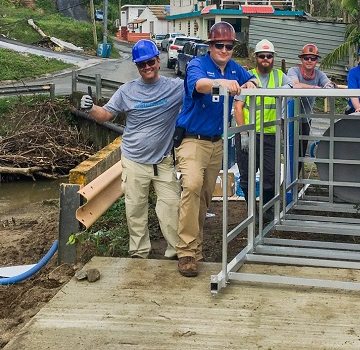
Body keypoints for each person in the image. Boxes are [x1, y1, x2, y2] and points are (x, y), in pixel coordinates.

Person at [79, 39, 182, 260]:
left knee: (171, 207)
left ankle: (177, 251)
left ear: (158, 60)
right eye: (141, 64)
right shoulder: (127, 91)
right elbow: (106, 114)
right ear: (137, 66)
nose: (147, 67)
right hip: (134, 160)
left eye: (150, 62)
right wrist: (91, 108)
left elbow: (198, 90)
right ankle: (139, 252)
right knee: (135, 209)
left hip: (163, 161)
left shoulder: (175, 88)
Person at [174, 22, 258, 277]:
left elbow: (252, 78)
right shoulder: (198, 65)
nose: (224, 49)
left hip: (217, 142)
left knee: (204, 195)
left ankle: (194, 247)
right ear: (210, 46)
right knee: (191, 185)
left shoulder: (235, 68)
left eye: (229, 46)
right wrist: (222, 82)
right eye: (219, 45)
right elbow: (199, 85)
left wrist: (251, 84)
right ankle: (186, 251)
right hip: (192, 140)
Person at [233, 39, 289, 209]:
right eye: (262, 56)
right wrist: (243, 134)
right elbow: (238, 107)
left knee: (270, 176)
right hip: (248, 134)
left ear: (273, 58)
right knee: (247, 176)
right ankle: (252, 211)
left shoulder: (279, 76)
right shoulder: (249, 77)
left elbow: (294, 85)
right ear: (256, 58)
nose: (266, 59)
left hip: (270, 135)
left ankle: (267, 210)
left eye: (269, 56)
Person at [285, 43, 336, 162]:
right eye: (306, 58)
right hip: (290, 118)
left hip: (306, 119)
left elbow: (328, 83)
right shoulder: (294, 70)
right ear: (301, 59)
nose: (309, 60)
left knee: (301, 152)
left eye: (313, 58)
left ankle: (298, 178)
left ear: (317, 60)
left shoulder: (319, 74)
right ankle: (287, 179)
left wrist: (329, 86)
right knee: (289, 150)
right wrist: (314, 88)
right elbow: (295, 85)